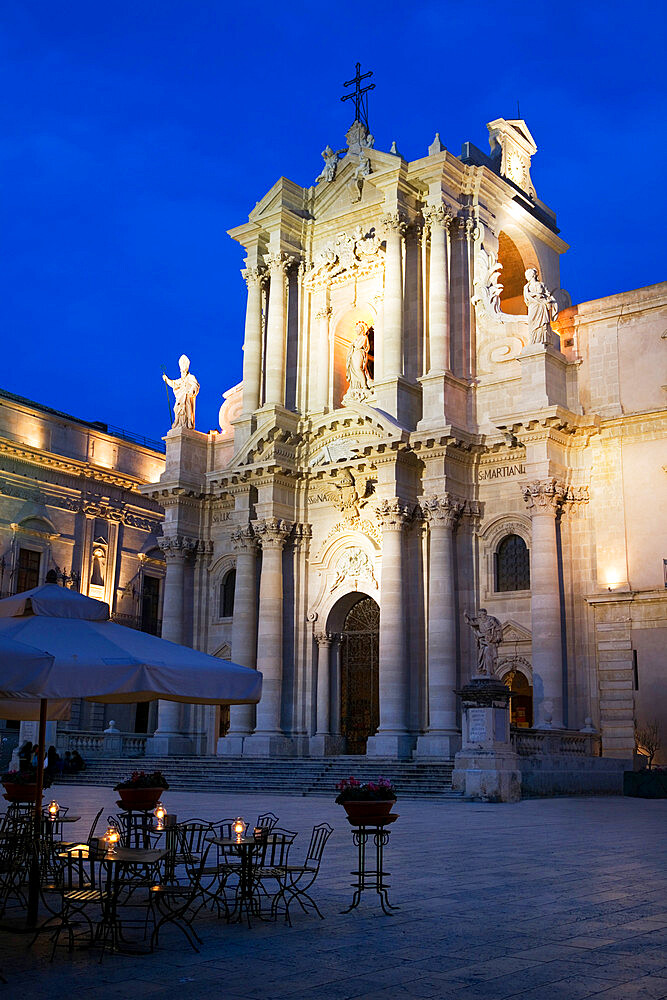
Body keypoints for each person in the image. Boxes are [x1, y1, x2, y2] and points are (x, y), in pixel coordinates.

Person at [162, 354, 200, 429]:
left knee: (186, 411)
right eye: (181, 371)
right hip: (180, 399)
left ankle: (186, 423)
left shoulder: (191, 377)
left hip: (187, 398)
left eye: (184, 370)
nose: (182, 372)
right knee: (177, 409)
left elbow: (196, 385)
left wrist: (191, 390)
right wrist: (166, 379)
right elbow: (173, 383)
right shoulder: (180, 380)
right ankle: (178, 422)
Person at [523, 267, 559, 345]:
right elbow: (526, 300)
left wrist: (546, 299)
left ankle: (542, 340)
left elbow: (547, 294)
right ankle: (534, 340)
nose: (526, 277)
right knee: (532, 322)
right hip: (533, 306)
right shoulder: (526, 288)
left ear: (532, 275)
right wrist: (535, 295)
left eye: (527, 275)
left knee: (543, 323)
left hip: (541, 306)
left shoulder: (541, 284)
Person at [464, 608, 503, 676]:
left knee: (488, 655)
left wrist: (497, 638)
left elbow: (498, 628)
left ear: (484, 614)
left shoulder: (491, 620)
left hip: (490, 640)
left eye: (480, 615)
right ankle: (483, 669)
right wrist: (466, 616)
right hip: (482, 640)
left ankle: (489, 671)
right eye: (479, 615)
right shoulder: (479, 620)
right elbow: (470, 622)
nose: (479, 616)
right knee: (481, 657)